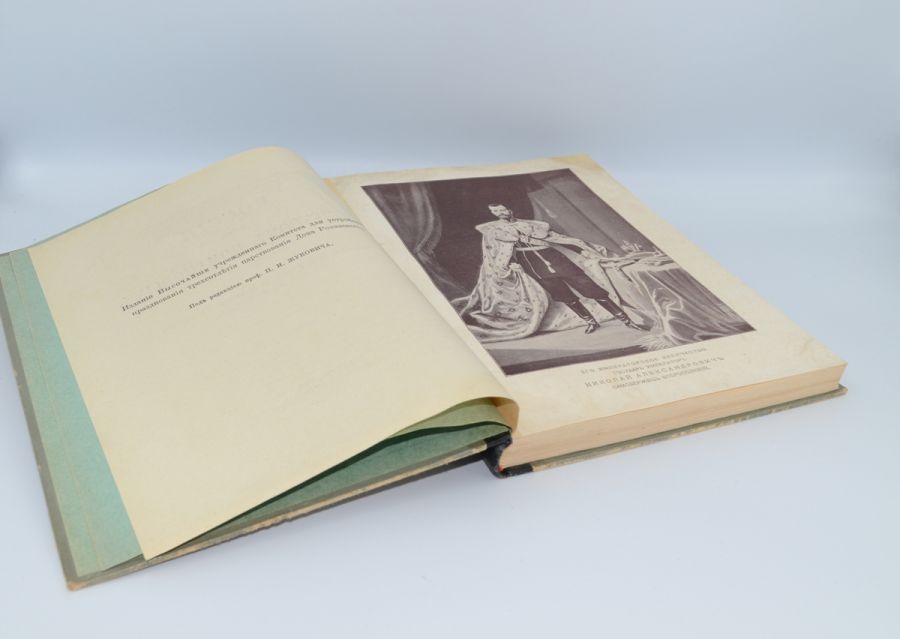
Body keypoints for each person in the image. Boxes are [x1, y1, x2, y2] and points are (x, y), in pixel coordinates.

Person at [454, 204, 647, 340]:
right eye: (496, 211)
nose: (500, 213)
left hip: (555, 258)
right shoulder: (494, 230)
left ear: (511, 209)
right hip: (532, 265)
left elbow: (561, 239)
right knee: (564, 295)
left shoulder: (534, 225)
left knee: (591, 289)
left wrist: (584, 250)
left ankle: (627, 321)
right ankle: (591, 322)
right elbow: (497, 252)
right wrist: (511, 264)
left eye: (502, 209)